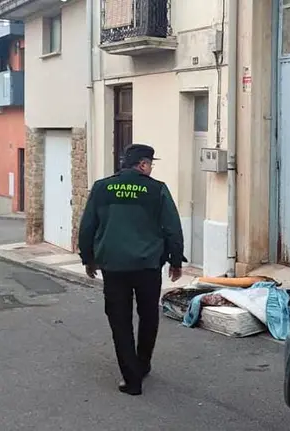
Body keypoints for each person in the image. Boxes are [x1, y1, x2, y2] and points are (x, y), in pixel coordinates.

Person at [77, 143, 186, 396]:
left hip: (113, 266)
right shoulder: (156, 189)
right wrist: (176, 260)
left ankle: (131, 378)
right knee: (148, 315)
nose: (150, 168)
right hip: (147, 266)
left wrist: (88, 258)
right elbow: (172, 228)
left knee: (119, 319)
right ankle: (143, 363)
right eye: (150, 164)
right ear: (143, 165)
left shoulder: (102, 188)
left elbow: (87, 227)